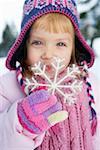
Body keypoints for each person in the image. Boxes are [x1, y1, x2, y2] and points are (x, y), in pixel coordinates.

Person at [0, 0, 99, 149]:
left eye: (60, 44)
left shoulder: (89, 84)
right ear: (25, 45)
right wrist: (21, 123)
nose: (48, 54)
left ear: (73, 47)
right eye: (38, 43)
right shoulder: (8, 87)